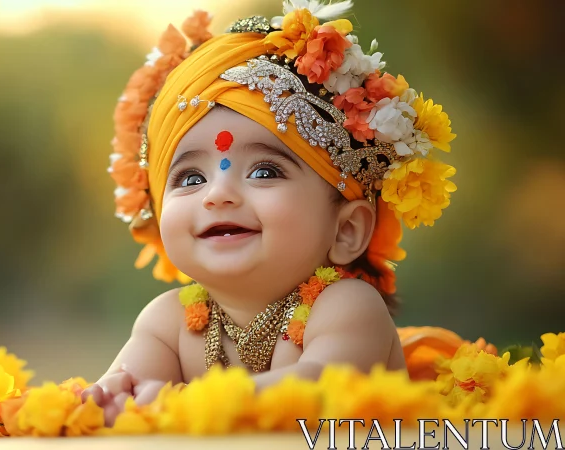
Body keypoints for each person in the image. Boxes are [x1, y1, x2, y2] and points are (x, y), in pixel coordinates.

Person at [87, 0, 464, 425]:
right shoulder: (168, 322)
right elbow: (123, 392)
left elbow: (318, 389)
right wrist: (109, 399)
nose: (218, 194)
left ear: (346, 230)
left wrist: (179, 403)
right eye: (191, 178)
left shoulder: (348, 308)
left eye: (264, 172)